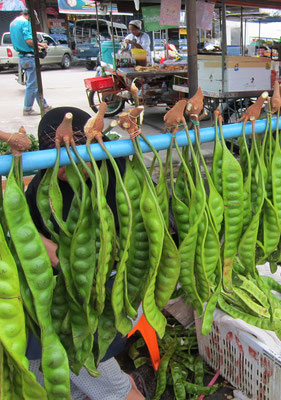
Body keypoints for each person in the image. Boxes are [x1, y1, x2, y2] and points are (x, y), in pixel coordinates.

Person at [25, 107, 148, 400]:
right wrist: (42, 243)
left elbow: (143, 238)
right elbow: (24, 230)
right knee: (40, 358)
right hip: (66, 295)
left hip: (114, 293)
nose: (64, 170)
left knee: (74, 356)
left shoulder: (117, 172)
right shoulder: (44, 185)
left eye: (73, 158)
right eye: (57, 162)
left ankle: (122, 389)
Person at [9, 9, 52, 116]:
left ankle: (44, 105)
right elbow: (28, 41)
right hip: (29, 57)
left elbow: (24, 42)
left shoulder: (14, 22)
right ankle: (27, 108)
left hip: (22, 57)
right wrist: (41, 45)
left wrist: (37, 46)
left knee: (35, 83)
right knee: (32, 85)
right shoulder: (25, 23)